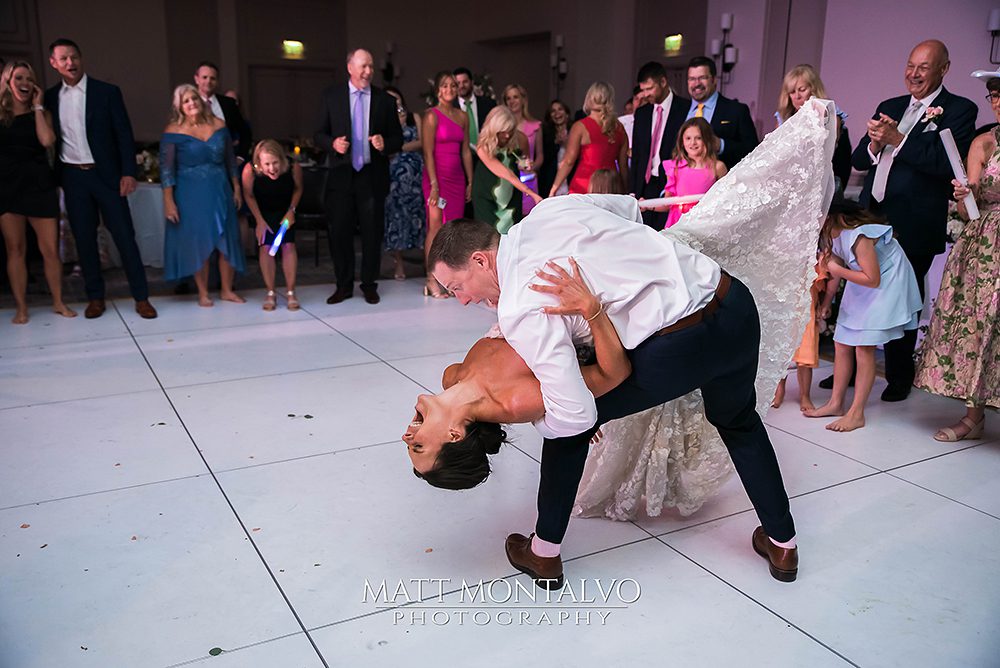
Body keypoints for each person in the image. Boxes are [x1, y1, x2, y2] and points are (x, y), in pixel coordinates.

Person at [410, 98, 837, 585]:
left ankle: (544, 552)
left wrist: (547, 412)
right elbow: (628, 211)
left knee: (567, 433)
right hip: (732, 302)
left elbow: (575, 415)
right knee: (739, 421)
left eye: (457, 287)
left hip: (679, 344)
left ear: (481, 262)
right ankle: (784, 544)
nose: (462, 301)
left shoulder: (521, 305)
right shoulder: (549, 211)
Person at [849, 39, 977, 402]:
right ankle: (854, 370)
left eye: (923, 67)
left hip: (915, 222)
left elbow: (944, 163)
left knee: (901, 299)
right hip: (873, 215)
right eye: (910, 65)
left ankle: (900, 375)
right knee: (860, 292)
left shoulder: (959, 110)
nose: (914, 74)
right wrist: (875, 144)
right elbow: (859, 159)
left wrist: (899, 139)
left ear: (943, 69)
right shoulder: (890, 106)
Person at [914, 72, 1000, 441]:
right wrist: (966, 194)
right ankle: (973, 416)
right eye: (993, 96)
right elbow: (968, 210)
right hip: (986, 244)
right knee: (978, 323)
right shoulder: (984, 142)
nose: (997, 102)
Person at [44, 38, 157, 320]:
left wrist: (128, 172)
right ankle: (95, 297)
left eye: (74, 57)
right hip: (73, 177)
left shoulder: (106, 92)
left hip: (106, 176)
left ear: (81, 58)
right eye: (63, 58)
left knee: (124, 236)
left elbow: (123, 134)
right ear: (54, 63)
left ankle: (141, 297)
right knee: (84, 240)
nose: (70, 63)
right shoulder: (49, 97)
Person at [804, 199, 921, 431]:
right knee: (841, 342)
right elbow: (835, 265)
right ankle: (836, 403)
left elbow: (872, 279)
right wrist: (827, 302)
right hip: (860, 278)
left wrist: (838, 270)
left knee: (863, 347)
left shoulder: (859, 237)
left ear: (833, 217)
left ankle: (856, 413)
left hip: (886, 280)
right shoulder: (830, 234)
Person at [316, 48, 403, 305]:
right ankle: (343, 286)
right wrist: (332, 144)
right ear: (350, 67)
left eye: (371, 67)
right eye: (363, 66)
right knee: (340, 234)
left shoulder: (384, 101)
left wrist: (384, 143)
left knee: (372, 234)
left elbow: (398, 138)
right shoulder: (331, 96)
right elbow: (317, 134)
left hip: (371, 176)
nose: (368, 71)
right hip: (341, 176)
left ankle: (369, 284)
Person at [0, 60, 76, 324]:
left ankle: (58, 302)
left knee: (50, 250)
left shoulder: (41, 113)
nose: (24, 83)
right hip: (7, 186)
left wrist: (37, 106)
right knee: (15, 249)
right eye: (19, 78)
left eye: (29, 79)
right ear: (7, 82)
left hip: (39, 185)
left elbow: (46, 141)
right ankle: (21, 308)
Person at [160, 84, 245, 307]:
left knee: (226, 238)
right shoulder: (173, 131)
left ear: (201, 100)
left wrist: (236, 187)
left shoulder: (219, 125)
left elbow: (230, 160)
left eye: (194, 99)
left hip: (220, 188)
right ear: (179, 106)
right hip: (190, 192)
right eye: (186, 101)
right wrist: (168, 200)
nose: (192, 103)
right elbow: (166, 170)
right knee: (199, 241)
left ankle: (227, 290)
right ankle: (203, 292)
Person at [421, 71, 472, 298]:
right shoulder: (431, 116)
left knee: (452, 230)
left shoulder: (463, 116)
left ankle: (447, 279)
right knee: (435, 227)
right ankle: (431, 279)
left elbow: (465, 151)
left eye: (452, 85)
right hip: (437, 179)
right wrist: (434, 184)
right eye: (444, 86)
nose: (449, 89)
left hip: (457, 179)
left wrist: (470, 181)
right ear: (437, 90)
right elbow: (427, 152)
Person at [242, 139, 302, 310]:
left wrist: (291, 211)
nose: (272, 168)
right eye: (267, 164)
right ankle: (270, 292)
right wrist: (259, 220)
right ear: (259, 163)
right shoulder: (250, 170)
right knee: (266, 247)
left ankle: (291, 292)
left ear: (281, 159)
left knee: (288, 245)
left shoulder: (293, 167)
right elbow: (249, 195)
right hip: (263, 212)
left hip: (286, 210)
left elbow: (298, 189)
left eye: (275, 163)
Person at [629, 61, 691, 228]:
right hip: (645, 185)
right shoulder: (642, 113)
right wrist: (633, 190)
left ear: (663, 82)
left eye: (649, 89)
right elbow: (637, 155)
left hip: (670, 183)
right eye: (643, 90)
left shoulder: (685, 108)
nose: (645, 94)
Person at [775, 64, 851, 191]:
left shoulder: (830, 114)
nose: (797, 96)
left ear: (813, 89)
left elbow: (827, 153)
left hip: (820, 181)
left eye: (802, 90)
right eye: (792, 92)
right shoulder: (783, 118)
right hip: (788, 181)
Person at [550, 82, 628, 196]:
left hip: (585, 185)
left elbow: (568, 161)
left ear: (589, 99)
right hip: (611, 187)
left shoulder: (580, 127)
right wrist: (625, 190)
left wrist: (554, 188)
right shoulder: (620, 128)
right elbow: (623, 166)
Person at [473, 106, 542, 233]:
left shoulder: (520, 138)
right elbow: (506, 174)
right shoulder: (483, 147)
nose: (507, 135)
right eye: (503, 131)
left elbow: (523, 161)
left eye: (510, 130)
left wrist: (524, 165)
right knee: (489, 235)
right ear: (494, 129)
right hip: (487, 194)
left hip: (512, 192)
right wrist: (531, 193)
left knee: (512, 232)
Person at [686, 56, 758, 170]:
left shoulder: (737, 110)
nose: (696, 83)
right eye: (692, 79)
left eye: (702, 78)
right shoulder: (680, 109)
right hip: (684, 179)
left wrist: (721, 145)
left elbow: (754, 151)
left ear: (714, 80)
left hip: (723, 178)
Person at [653, 117, 727, 228]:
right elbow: (667, 204)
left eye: (698, 138)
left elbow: (725, 201)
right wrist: (648, 205)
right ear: (682, 141)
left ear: (707, 139)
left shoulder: (718, 167)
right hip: (677, 225)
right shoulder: (674, 167)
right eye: (688, 138)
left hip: (705, 225)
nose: (693, 143)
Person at [383, 86, 424, 281]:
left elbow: (422, 142)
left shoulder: (413, 117)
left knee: (420, 214)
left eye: (396, 98)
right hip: (394, 176)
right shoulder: (384, 121)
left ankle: (426, 259)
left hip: (416, 173)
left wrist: (399, 147)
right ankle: (398, 263)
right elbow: (385, 148)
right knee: (396, 217)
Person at [194, 61, 252, 161]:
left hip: (225, 163)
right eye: (204, 77)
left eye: (212, 78)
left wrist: (240, 157)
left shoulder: (228, 104)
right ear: (196, 79)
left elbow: (245, 132)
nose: (208, 81)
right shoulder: (188, 104)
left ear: (217, 81)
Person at [502, 84, 544, 215]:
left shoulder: (535, 126)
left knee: (529, 217)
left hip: (528, 179)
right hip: (507, 179)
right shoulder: (502, 128)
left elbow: (540, 155)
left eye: (515, 97)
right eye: (508, 98)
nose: (512, 101)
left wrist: (532, 167)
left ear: (523, 99)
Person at [453, 67, 495, 153]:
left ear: (471, 82)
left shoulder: (488, 104)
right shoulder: (450, 108)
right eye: (458, 83)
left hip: (487, 154)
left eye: (465, 82)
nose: (461, 86)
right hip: (460, 156)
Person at [538, 100, 571, 199]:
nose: (557, 113)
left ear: (567, 114)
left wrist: (566, 143)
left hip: (570, 181)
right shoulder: (545, 134)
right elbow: (544, 160)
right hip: (551, 182)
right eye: (553, 111)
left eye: (560, 109)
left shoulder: (574, 131)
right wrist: (556, 144)